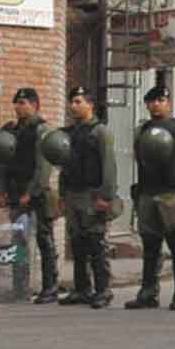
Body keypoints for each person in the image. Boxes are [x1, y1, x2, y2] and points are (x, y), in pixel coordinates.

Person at [126, 85, 175, 311]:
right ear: (147, 104)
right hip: (148, 191)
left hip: (172, 194)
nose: (156, 104)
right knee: (150, 246)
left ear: (168, 103)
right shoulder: (142, 130)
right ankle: (148, 292)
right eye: (152, 101)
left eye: (161, 100)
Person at [0, 87, 59, 303]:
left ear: (35, 105)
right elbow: (3, 163)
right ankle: (19, 287)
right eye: (17, 103)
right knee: (17, 240)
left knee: (44, 239)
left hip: (37, 194)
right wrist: (1, 191)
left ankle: (50, 287)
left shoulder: (42, 130)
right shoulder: (10, 130)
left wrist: (30, 193)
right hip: (15, 192)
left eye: (24, 103)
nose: (19, 107)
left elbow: (43, 166)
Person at [58, 86, 118, 309]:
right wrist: (62, 194)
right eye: (71, 102)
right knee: (77, 243)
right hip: (74, 193)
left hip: (92, 195)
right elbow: (64, 166)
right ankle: (82, 289)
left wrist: (106, 196)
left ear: (90, 105)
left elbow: (109, 166)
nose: (73, 106)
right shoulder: (70, 133)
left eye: (78, 102)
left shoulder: (100, 132)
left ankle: (103, 290)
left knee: (96, 243)